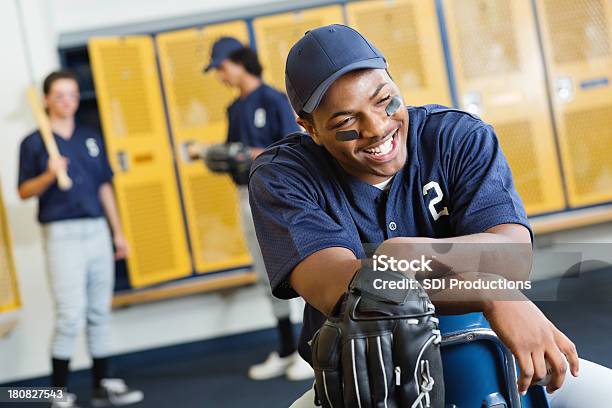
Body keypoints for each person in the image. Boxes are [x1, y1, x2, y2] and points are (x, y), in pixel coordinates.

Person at [247, 24, 612, 406]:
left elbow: (513, 257)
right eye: (345, 123)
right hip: (366, 390)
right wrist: (488, 288)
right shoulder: (282, 175)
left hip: (498, 363)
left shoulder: (455, 136)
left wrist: (396, 258)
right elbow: (335, 288)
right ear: (310, 129)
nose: (378, 128)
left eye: (384, 99)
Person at [18, 70, 143, 408]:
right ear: (45, 100)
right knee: (70, 314)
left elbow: (104, 186)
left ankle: (103, 384)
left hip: (96, 230)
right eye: (59, 95)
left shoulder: (90, 137)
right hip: (62, 234)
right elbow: (24, 191)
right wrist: (49, 172)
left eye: (72, 95)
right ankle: (58, 392)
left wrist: (117, 233)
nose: (67, 102)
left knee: (99, 312)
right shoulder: (33, 143)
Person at [204, 37, 313, 381]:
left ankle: (308, 351)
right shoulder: (234, 109)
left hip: (278, 198)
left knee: (295, 270)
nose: (221, 75)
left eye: (222, 67)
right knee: (267, 276)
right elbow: (233, 154)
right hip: (245, 196)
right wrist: (221, 157)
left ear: (240, 61)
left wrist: (249, 154)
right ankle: (284, 349)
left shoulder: (274, 99)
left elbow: (290, 150)